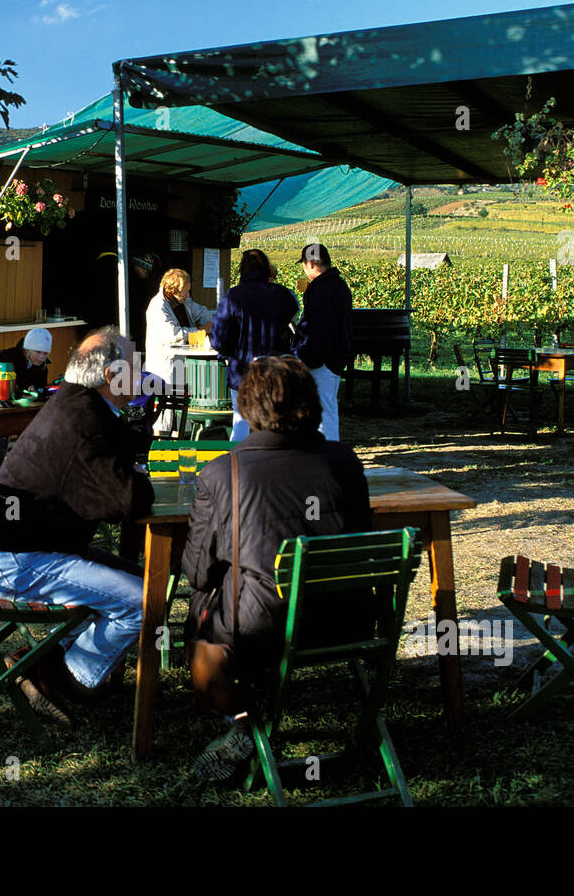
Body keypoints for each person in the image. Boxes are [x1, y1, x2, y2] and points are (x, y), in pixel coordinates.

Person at [181, 355, 375, 780]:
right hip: (348, 621)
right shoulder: (345, 462)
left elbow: (197, 572)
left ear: (247, 405)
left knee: (203, 599)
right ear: (311, 402)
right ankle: (259, 711)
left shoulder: (221, 473)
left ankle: (242, 715)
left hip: (263, 631)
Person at [0, 327, 154, 724]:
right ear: (111, 376)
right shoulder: (85, 419)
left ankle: (35, 660)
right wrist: (141, 465)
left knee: (141, 579)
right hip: (17, 558)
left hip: (23, 544)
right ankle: (57, 677)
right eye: (135, 366)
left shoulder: (79, 405)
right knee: (144, 600)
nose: (142, 374)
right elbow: (126, 500)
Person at [210, 249, 300, 442]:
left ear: (242, 269)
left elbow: (218, 339)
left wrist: (229, 353)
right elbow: (294, 316)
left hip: (242, 370)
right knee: (274, 421)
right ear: (266, 269)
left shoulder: (233, 296)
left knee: (241, 421)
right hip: (276, 368)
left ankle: (238, 465)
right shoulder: (283, 295)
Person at [292, 243, 352, 442]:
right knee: (328, 410)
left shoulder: (319, 289)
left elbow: (319, 330)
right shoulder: (339, 285)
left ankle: (327, 459)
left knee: (321, 413)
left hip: (321, 361)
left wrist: (308, 360)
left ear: (310, 263)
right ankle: (329, 456)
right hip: (335, 357)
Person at [144, 269, 215, 433]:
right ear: (173, 289)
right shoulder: (158, 307)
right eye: (186, 290)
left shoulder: (182, 301)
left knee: (179, 407)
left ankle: (178, 441)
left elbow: (202, 312)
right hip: (164, 365)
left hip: (179, 364)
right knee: (165, 412)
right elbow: (173, 334)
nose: (188, 294)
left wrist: (208, 322)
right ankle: (161, 445)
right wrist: (201, 331)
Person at [0, 328, 52, 399]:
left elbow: (40, 388)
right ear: (26, 350)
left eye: (45, 353)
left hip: (18, 403)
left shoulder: (42, 367)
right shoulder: (7, 357)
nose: (42, 357)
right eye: (38, 352)